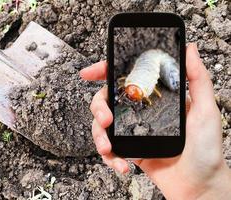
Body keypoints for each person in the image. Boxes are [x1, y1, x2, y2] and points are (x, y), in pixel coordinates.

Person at [80, 43, 231, 199]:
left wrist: (209, 185)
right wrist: (209, 189)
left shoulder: (147, 83)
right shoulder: (134, 83)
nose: (130, 97)